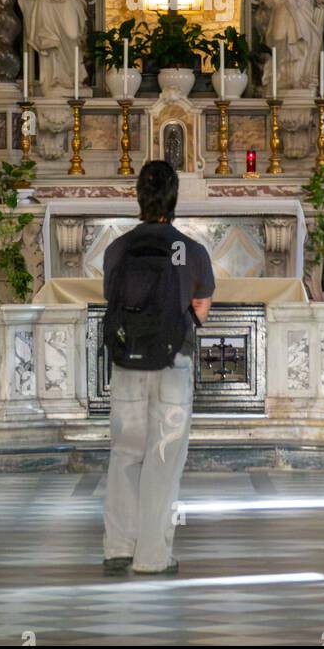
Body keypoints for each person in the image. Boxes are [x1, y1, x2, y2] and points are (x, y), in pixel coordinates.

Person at [102, 160, 215, 575]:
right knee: (163, 458)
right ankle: (151, 557)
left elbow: (112, 297)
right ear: (174, 198)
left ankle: (118, 546)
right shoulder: (192, 250)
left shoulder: (117, 248)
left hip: (127, 361)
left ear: (138, 197)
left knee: (125, 453)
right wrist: (185, 325)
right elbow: (202, 302)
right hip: (172, 363)